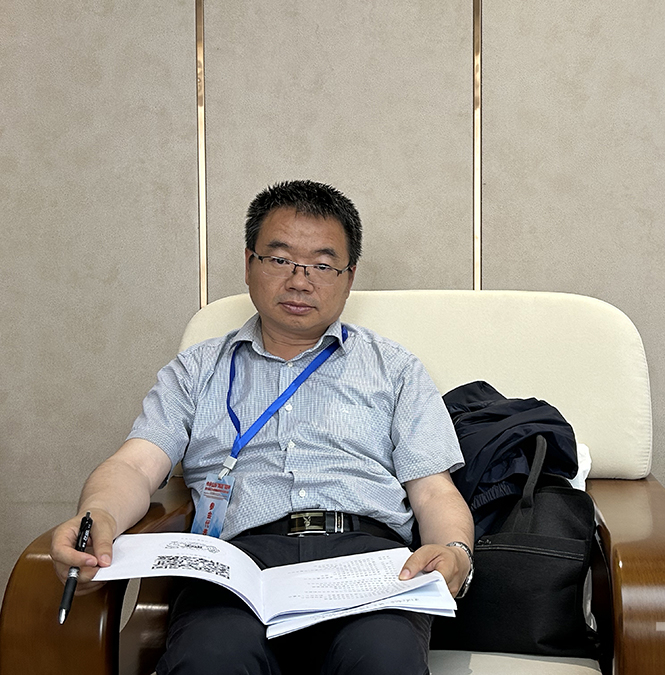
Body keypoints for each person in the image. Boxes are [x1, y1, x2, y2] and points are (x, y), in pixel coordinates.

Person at [49, 179, 475, 675]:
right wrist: (99, 516)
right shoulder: (197, 370)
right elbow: (135, 466)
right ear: (249, 263)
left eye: (322, 265)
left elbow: (433, 490)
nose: (300, 281)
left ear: (349, 277)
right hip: (237, 565)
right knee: (209, 660)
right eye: (279, 259)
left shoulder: (395, 369)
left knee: (384, 659)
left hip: (365, 560)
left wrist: (455, 552)